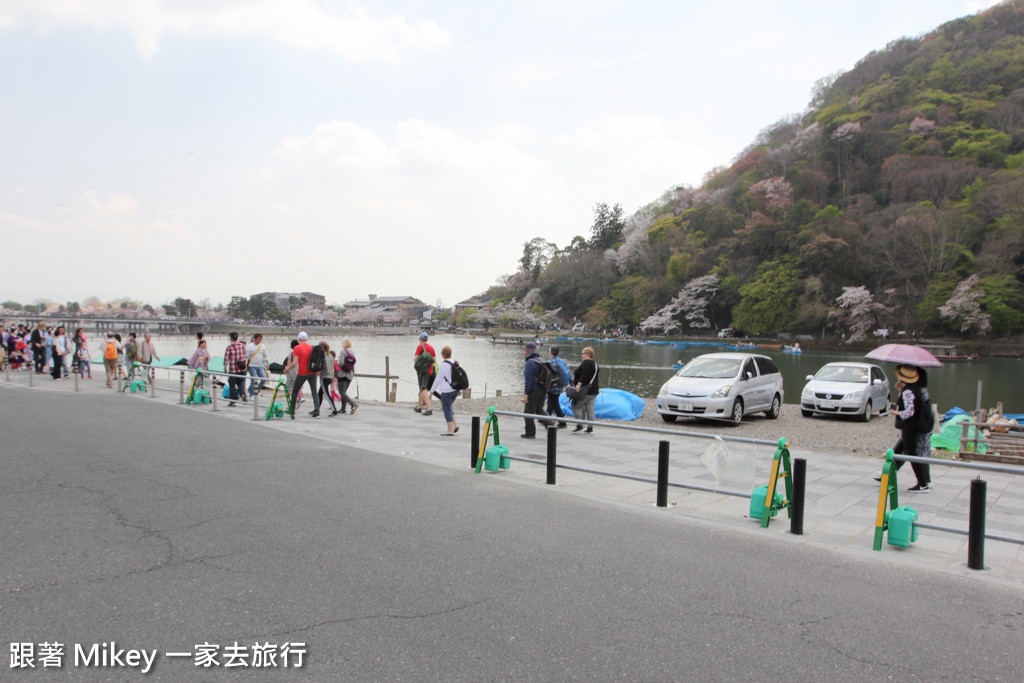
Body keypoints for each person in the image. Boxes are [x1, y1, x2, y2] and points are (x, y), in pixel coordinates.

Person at [876, 364, 934, 492]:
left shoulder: (909, 391)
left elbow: (909, 411)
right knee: (898, 451)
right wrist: (901, 391)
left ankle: (923, 483)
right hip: (915, 427)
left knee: (912, 454)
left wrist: (896, 413)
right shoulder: (919, 389)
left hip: (910, 427)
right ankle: (887, 475)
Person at [285, 331, 320, 418]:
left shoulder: (297, 348)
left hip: (302, 372)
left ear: (299, 339)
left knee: (295, 391)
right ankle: (317, 410)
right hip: (312, 372)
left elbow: (294, 363)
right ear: (306, 339)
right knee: (314, 392)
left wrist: (287, 369)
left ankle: (292, 409)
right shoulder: (312, 347)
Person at [521, 341, 551, 439]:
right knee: (539, 410)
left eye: (525, 350)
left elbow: (528, 380)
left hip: (533, 390)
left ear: (528, 351)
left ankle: (530, 433)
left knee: (528, 412)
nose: (523, 351)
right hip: (542, 390)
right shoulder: (540, 361)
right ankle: (550, 426)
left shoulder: (530, 363)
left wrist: (526, 393)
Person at [431, 345, 460, 436]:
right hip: (455, 389)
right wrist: (460, 390)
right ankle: (455, 425)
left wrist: (432, 389)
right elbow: (459, 376)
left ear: (443, 354)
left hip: (446, 391)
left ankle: (450, 430)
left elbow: (438, 378)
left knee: (446, 409)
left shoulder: (443, 365)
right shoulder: (455, 362)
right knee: (449, 406)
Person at [571, 346, 600, 434]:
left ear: (588, 354)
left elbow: (584, 375)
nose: (581, 355)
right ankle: (590, 427)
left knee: (575, 406)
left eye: (583, 353)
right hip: (594, 390)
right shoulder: (595, 364)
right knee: (590, 408)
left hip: (585, 390)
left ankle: (579, 424)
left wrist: (578, 384)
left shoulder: (586, 363)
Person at [546, 345, 570, 429]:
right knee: (554, 404)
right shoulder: (562, 361)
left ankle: (546, 420)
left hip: (552, 388)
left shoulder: (550, 363)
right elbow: (569, 373)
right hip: (560, 387)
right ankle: (560, 422)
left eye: (548, 351)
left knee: (552, 404)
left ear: (551, 352)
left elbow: (545, 376)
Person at [334, 338, 358, 416]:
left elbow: (340, 363)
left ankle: (352, 404)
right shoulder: (352, 352)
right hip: (350, 374)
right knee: (344, 392)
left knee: (341, 392)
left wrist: (337, 363)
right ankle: (343, 409)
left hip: (343, 374)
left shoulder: (343, 352)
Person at [413, 332, 435, 416]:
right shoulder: (431, 348)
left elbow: (415, 359)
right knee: (422, 387)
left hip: (422, 372)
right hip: (429, 371)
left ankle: (429, 409)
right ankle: (419, 407)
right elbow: (434, 360)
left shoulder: (420, 346)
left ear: (420, 339)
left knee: (423, 388)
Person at [223, 332, 247, 406]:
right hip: (241, 369)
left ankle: (232, 401)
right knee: (240, 384)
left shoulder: (229, 347)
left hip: (233, 370)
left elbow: (226, 359)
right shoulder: (242, 346)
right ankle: (242, 394)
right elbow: (245, 356)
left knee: (232, 386)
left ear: (231, 338)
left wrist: (225, 368)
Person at [315, 342, 338, 415]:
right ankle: (316, 408)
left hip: (324, 377)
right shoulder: (330, 355)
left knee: (326, 394)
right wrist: (332, 377)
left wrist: (317, 373)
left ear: (322, 347)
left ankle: (334, 410)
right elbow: (333, 367)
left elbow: (320, 367)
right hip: (330, 376)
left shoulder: (322, 356)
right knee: (320, 393)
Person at [246, 333, 269, 399]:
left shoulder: (262, 346)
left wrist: (267, 364)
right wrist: (245, 365)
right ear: (255, 339)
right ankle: (252, 394)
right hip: (252, 366)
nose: (259, 341)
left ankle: (257, 391)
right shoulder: (250, 346)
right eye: (258, 339)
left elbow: (265, 355)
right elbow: (246, 357)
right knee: (254, 380)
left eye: (260, 339)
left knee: (263, 379)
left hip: (259, 366)